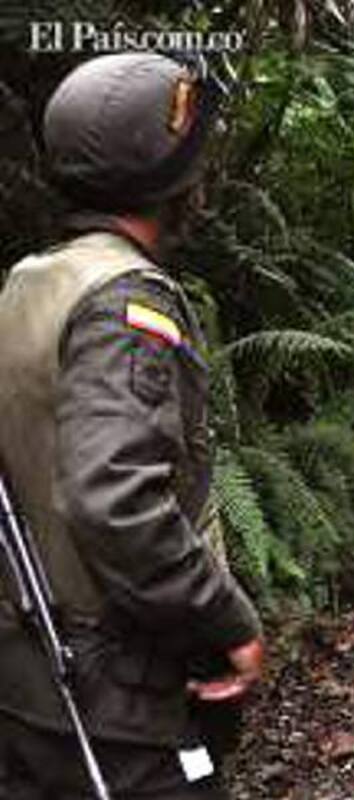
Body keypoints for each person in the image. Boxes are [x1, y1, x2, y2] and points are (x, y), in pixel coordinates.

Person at [0, 53, 264, 798]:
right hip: (110, 690)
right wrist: (228, 621)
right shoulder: (125, 302)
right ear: (169, 177)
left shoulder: (31, 281)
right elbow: (114, 497)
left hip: (29, 679)